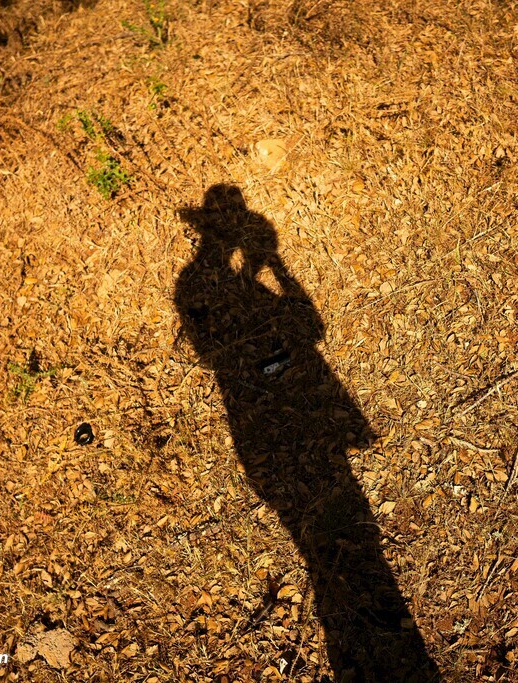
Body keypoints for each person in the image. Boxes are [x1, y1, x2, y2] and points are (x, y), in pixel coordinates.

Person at [175, 184, 440, 682]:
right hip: (260, 413)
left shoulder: (195, 280)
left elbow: (295, 331)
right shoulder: (199, 282)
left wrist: (264, 274)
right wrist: (271, 270)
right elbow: (306, 328)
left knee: (332, 523)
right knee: (338, 522)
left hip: (261, 415)